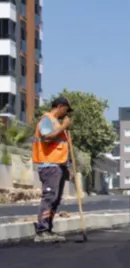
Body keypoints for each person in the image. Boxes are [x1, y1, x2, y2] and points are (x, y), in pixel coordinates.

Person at [31, 97, 73, 243]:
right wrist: (63, 126)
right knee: (49, 197)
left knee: (55, 199)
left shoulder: (55, 122)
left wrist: (66, 167)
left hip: (58, 165)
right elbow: (47, 138)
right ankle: (42, 231)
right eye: (66, 110)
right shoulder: (47, 120)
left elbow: (60, 147)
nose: (65, 114)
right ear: (60, 106)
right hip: (49, 166)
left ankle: (48, 228)